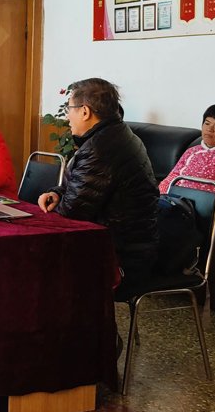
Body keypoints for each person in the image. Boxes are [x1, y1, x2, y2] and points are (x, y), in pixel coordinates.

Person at [37, 78, 159, 298]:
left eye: (69, 109)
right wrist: (57, 192)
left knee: (33, 261)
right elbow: (81, 187)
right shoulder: (114, 134)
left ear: (85, 112)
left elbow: (73, 211)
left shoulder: (101, 148)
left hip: (120, 255)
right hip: (125, 243)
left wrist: (62, 201)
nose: (67, 117)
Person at [159, 104, 215, 212]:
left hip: (205, 210)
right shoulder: (192, 151)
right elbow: (169, 181)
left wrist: (191, 201)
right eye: (207, 123)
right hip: (177, 204)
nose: (209, 129)